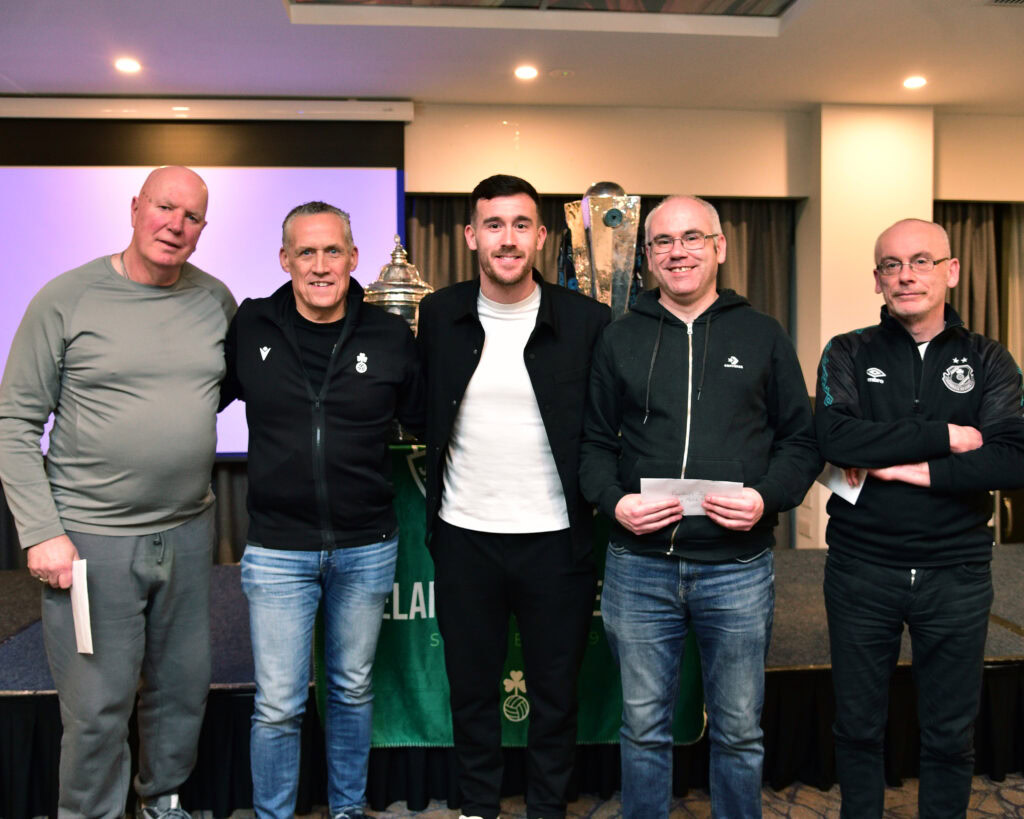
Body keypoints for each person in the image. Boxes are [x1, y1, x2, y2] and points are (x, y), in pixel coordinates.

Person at [0, 166, 235, 818]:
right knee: (99, 704)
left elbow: (226, 390)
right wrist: (42, 530)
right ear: (136, 208)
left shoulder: (215, 299)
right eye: (164, 207)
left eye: (191, 217)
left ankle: (163, 801)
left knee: (183, 690)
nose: (175, 225)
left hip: (188, 532)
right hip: (90, 541)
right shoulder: (66, 298)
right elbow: (14, 423)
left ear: (202, 230)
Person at [579, 195, 820, 819]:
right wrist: (613, 503)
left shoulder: (762, 334)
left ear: (720, 246)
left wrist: (768, 497)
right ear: (647, 256)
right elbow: (596, 445)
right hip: (639, 567)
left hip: (736, 570)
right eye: (663, 242)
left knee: (739, 732)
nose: (678, 251)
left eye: (692, 238)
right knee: (643, 729)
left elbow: (800, 440)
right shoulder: (620, 337)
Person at [219, 201, 424, 819]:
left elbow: (425, 420)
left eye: (332, 250)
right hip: (279, 549)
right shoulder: (251, 325)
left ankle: (347, 809)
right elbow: (194, 397)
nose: (319, 265)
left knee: (351, 689)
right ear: (285, 261)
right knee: (279, 703)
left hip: (366, 545)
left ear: (354, 258)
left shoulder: (390, 335)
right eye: (305, 252)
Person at [815, 218, 1024, 818]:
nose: (906, 275)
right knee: (855, 728)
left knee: (950, 736)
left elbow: (1011, 458)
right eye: (891, 265)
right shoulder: (848, 350)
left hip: (956, 573)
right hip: (861, 570)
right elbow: (835, 435)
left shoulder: (989, 359)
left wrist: (907, 468)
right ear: (877, 279)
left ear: (951, 271)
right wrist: (947, 437)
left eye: (922, 261)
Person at [417, 174, 610, 819]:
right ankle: (477, 807)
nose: (507, 238)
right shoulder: (439, 314)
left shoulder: (586, 321)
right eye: (493, 225)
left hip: (557, 540)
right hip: (465, 535)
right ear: (472, 236)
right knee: (471, 694)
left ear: (541, 236)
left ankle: (548, 808)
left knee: (556, 695)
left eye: (521, 224)